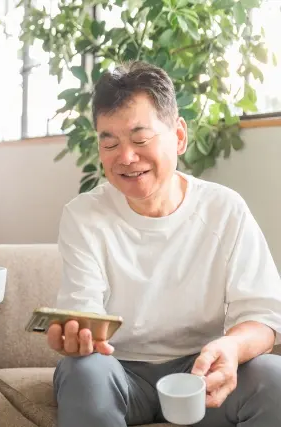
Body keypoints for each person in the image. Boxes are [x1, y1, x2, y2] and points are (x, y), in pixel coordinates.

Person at [50, 60, 281, 427]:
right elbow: (83, 311)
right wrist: (76, 336)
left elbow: (263, 317)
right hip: (117, 373)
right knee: (84, 372)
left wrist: (231, 348)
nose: (126, 157)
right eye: (109, 143)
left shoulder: (224, 209)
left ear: (178, 136)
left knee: (274, 376)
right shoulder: (84, 215)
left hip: (201, 372)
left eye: (140, 139)